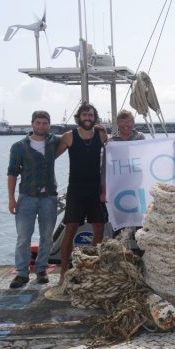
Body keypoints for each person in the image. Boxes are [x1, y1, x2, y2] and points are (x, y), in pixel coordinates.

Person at [55, 102, 109, 285]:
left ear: (95, 118)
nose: (87, 118)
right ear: (79, 118)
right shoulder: (69, 136)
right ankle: (63, 271)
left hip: (95, 190)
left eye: (91, 115)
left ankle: (90, 266)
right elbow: (51, 157)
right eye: (84, 115)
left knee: (99, 227)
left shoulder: (101, 135)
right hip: (76, 190)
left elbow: (112, 157)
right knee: (70, 228)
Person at [7, 110, 60, 289]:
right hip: (26, 197)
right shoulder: (19, 146)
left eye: (44, 123)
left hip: (49, 197)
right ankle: (21, 273)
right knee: (23, 237)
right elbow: (12, 173)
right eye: (38, 123)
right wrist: (11, 199)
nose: (41, 126)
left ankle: (41, 270)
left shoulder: (54, 141)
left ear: (49, 125)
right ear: (32, 124)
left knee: (46, 236)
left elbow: (72, 137)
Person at [100, 109, 145, 202]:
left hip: (139, 182)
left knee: (142, 210)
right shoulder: (111, 143)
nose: (126, 124)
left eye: (129, 121)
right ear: (117, 123)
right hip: (118, 184)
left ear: (133, 123)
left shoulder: (140, 137)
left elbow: (152, 152)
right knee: (120, 211)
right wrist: (104, 192)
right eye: (122, 121)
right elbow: (105, 168)